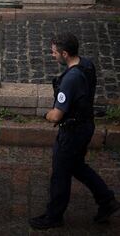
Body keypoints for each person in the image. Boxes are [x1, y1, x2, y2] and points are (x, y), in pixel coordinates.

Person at [29, 33, 120, 229]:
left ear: (65, 53)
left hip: (72, 132)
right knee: (77, 166)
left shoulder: (69, 79)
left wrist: (45, 115)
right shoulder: (87, 65)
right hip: (86, 125)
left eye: (54, 53)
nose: (52, 55)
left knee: (60, 173)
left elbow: (56, 115)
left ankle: (53, 216)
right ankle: (107, 200)